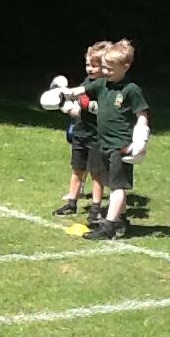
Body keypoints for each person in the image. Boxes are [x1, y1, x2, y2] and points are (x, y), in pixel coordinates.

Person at [61, 40, 149, 240]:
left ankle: (109, 226)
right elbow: (80, 91)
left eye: (110, 68)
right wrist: (63, 93)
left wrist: (141, 139)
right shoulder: (102, 84)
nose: (106, 72)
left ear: (125, 67)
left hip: (121, 146)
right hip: (104, 143)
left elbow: (142, 114)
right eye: (105, 67)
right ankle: (121, 220)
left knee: (118, 187)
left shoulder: (131, 90)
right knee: (113, 184)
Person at [52, 40, 111, 226]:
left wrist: (81, 103)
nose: (90, 69)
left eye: (95, 65)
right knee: (77, 170)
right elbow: (77, 109)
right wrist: (63, 104)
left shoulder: (105, 86)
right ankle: (72, 202)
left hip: (96, 137)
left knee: (97, 173)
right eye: (87, 64)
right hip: (81, 133)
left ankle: (96, 207)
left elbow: (100, 108)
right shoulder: (87, 82)